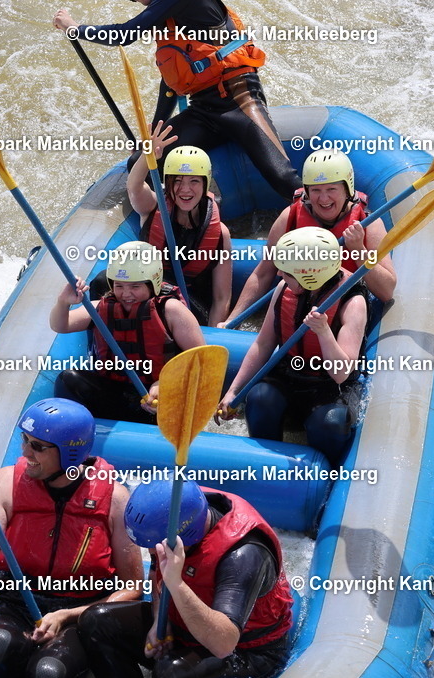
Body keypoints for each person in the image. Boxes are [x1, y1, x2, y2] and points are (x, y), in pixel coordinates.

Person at [0, 398, 144, 678]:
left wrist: (69, 615)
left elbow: (133, 587)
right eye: (25, 440)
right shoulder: (4, 483)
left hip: (78, 610)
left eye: (38, 446)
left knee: (48, 673)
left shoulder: (116, 499)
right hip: (15, 602)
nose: (25, 451)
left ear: (70, 453)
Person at [53, 0, 301, 201]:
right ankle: (173, 226)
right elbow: (172, 83)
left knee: (282, 176)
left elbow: (123, 35)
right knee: (141, 161)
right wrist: (156, 132)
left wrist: (74, 28)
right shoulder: (163, 15)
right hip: (203, 111)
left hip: (240, 98)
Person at [78, 478, 293, 678]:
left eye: (156, 546)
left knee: (171, 674)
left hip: (247, 649)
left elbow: (223, 644)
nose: (151, 552)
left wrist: (177, 584)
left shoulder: (244, 555)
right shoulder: (173, 515)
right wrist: (159, 621)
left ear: (186, 533)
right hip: (187, 628)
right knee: (95, 621)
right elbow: (156, 576)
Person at [218, 227, 367, 465]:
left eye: (286, 272)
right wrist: (234, 391)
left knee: (330, 421)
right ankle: (265, 462)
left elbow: (340, 374)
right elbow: (264, 343)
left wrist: (323, 332)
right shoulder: (284, 289)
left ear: (310, 275)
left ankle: (325, 475)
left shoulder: (353, 302)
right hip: (290, 375)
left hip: (329, 387)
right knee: (259, 398)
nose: (278, 274)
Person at [225, 149, 395, 325]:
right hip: (299, 305)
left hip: (344, 310)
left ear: (347, 189)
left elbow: (386, 291)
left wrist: (359, 251)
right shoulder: (289, 218)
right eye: (316, 190)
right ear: (306, 190)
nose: (323, 198)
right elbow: (263, 273)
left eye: (331, 189)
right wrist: (232, 320)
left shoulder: (368, 224)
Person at [50, 241, 204, 423]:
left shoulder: (171, 310)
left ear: (152, 284)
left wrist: (165, 383)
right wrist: (63, 302)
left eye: (135, 287)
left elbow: (201, 359)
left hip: (159, 396)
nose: (126, 294)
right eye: (119, 286)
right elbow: (60, 325)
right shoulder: (100, 307)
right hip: (116, 393)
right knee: (67, 379)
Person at [129, 125, 233, 327]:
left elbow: (222, 298)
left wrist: (209, 341)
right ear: (167, 183)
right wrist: (147, 156)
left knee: (171, 304)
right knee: (100, 281)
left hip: (190, 307)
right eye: (177, 181)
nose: (185, 190)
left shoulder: (220, 234)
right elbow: (134, 187)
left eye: (194, 181)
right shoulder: (152, 206)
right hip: (149, 294)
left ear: (205, 184)